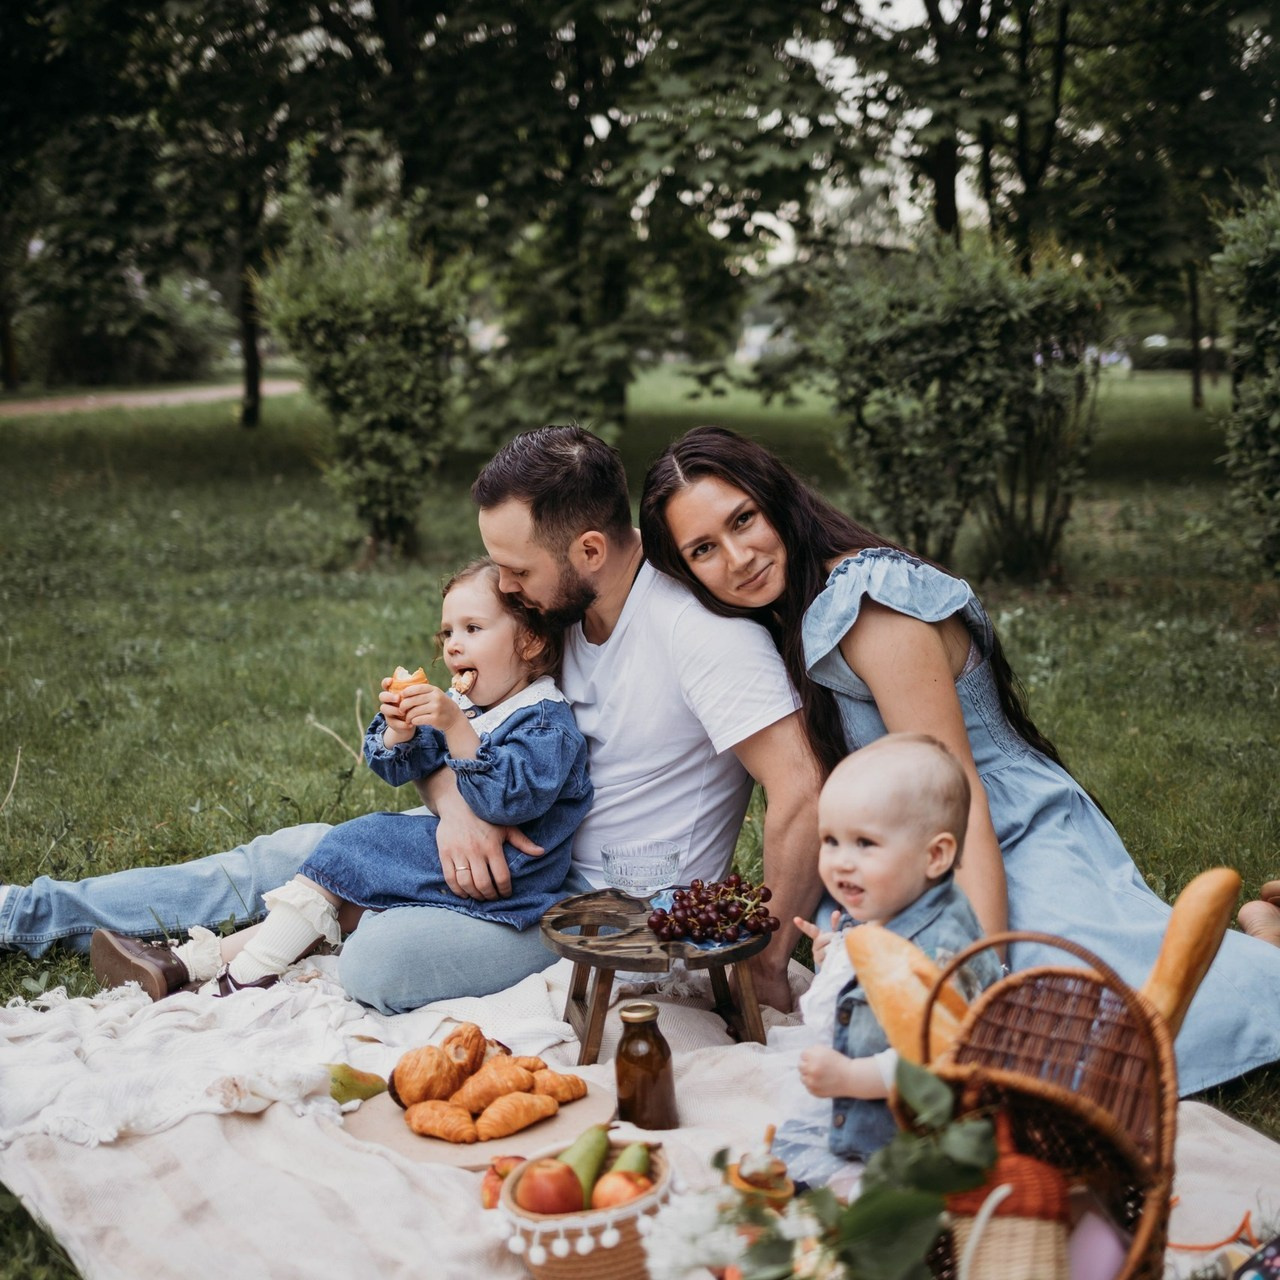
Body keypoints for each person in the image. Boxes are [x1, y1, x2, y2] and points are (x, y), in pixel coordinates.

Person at [1, 427, 822, 1014]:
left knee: (381, 962)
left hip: (595, 914)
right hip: (494, 848)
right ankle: (27, 915)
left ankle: (269, 942)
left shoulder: (701, 638)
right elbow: (455, 730)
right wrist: (457, 810)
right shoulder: (559, 615)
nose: (505, 589)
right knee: (296, 851)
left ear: (589, 552)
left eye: (515, 570)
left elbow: (800, 792)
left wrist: (771, 961)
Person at [639, 424, 1280, 1095]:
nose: (738, 557)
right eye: (704, 549)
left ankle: (1263, 957)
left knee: (1074, 1032)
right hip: (908, 851)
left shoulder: (869, 603)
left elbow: (959, 790)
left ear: (775, 498)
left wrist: (982, 972)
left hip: (1002, 831)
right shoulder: (786, 612)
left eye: (744, 519)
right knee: (898, 1021)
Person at [88, 558, 592, 999]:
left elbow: (509, 801)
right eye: (447, 633)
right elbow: (398, 766)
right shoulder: (468, 704)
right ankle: (193, 964)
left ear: (529, 641)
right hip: (474, 863)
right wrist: (399, 732)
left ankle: (244, 978)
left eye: (473, 629)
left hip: (514, 877)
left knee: (355, 844)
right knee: (345, 888)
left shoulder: (544, 721)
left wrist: (455, 729)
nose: (454, 646)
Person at [771, 733, 1001, 1184]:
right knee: (780, 1157)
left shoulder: (940, 953)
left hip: (910, 1138)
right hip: (865, 1111)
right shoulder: (893, 903)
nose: (842, 862)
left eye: (865, 843)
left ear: (935, 856)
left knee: (838, 1193)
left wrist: (851, 1078)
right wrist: (835, 958)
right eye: (831, 840)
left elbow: (944, 1057)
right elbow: (874, 995)